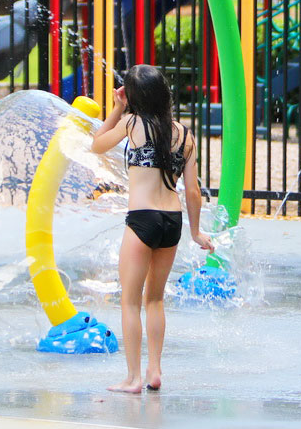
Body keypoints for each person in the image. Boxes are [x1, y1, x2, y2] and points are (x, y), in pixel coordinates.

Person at [88, 64, 213, 393]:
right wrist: (197, 232)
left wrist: (117, 108)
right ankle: (155, 370)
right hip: (172, 221)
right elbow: (193, 192)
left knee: (129, 302)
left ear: (134, 97)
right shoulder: (184, 135)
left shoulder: (132, 122)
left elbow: (97, 144)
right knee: (154, 300)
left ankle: (133, 378)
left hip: (142, 218)